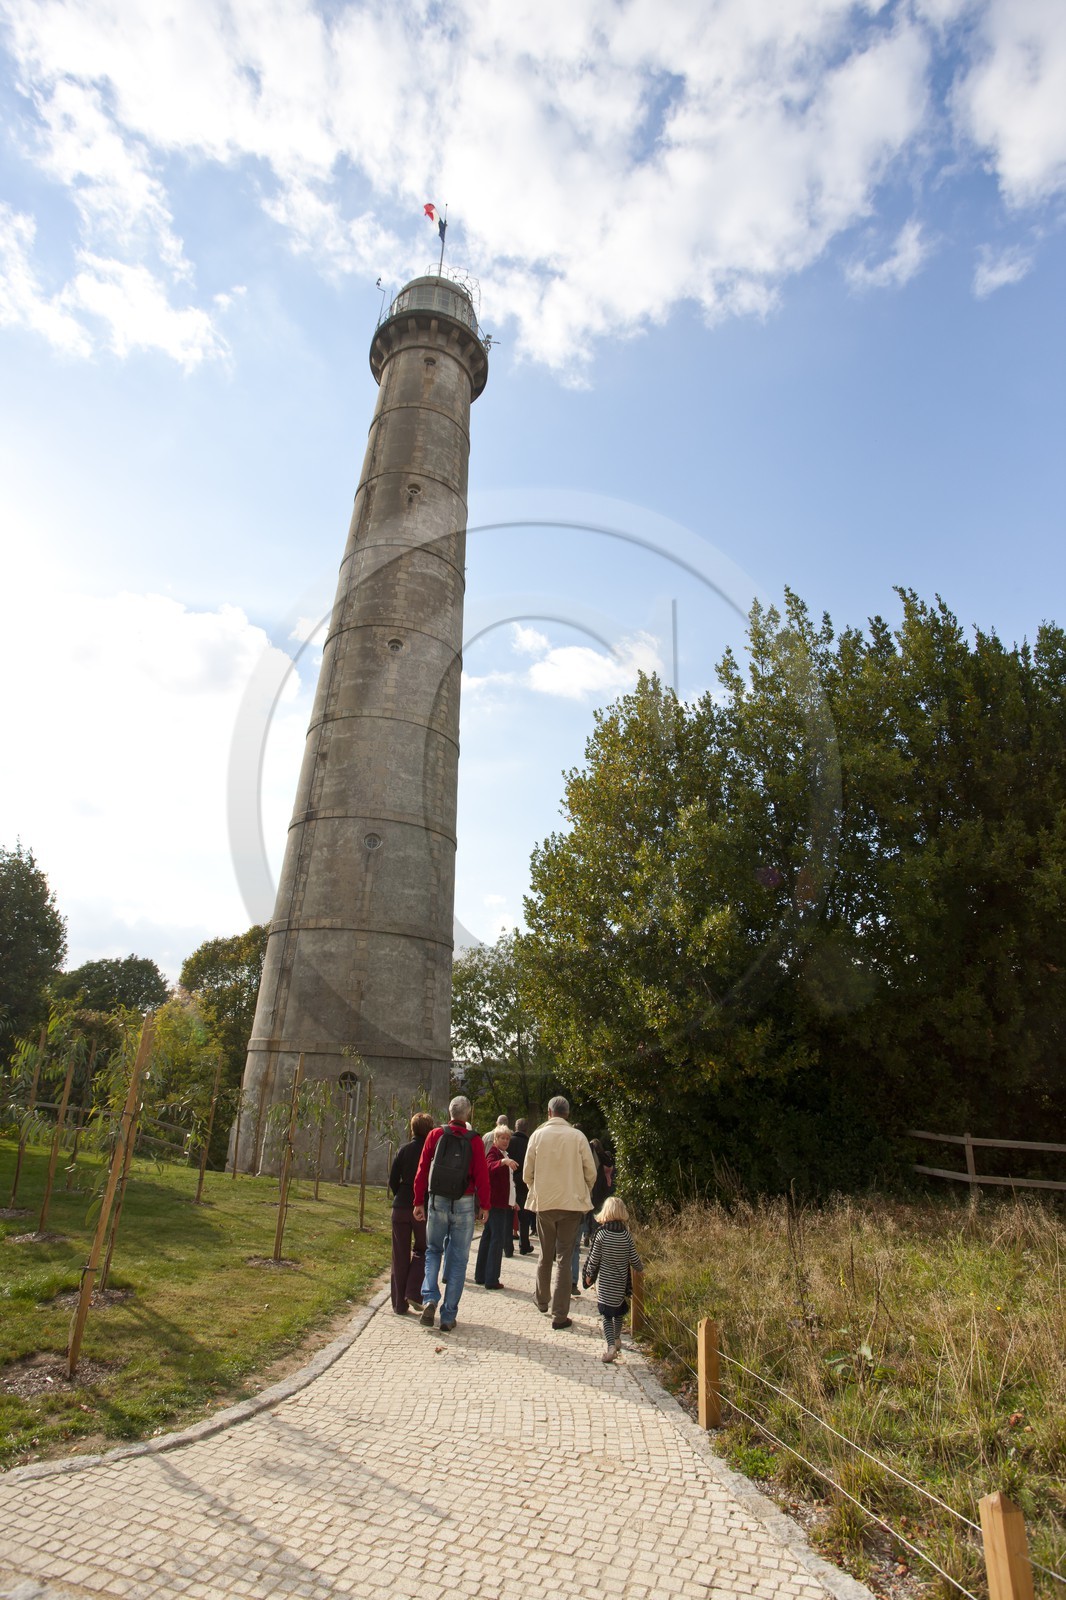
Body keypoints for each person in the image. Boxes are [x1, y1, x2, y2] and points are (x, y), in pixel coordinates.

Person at [413, 1096, 490, 1332]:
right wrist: (485, 1205)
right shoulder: (475, 1140)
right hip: (464, 1203)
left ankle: (430, 1298)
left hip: (437, 1200)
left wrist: (418, 1201)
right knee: (458, 1259)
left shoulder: (435, 1135)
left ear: (449, 1112)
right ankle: (448, 1316)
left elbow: (423, 1168)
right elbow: (482, 1175)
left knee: (433, 1250)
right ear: (468, 1113)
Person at [522, 1096, 596, 1329]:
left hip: (545, 1204)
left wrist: (536, 1189)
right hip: (571, 1204)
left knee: (545, 1254)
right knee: (564, 1257)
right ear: (567, 1114)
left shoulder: (537, 1135)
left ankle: (542, 1299)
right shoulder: (578, 1137)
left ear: (549, 1112)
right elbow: (590, 1172)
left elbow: (527, 1173)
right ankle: (560, 1314)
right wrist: (582, 1190)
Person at [582, 1195, 643, 1363]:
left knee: (606, 1316)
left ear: (605, 1213)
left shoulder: (601, 1235)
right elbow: (635, 1259)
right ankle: (616, 1339)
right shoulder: (626, 1236)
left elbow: (594, 1259)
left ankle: (610, 1347)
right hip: (621, 1282)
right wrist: (641, 1270)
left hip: (605, 1283)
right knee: (618, 1311)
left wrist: (588, 1276)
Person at [387, 1111, 435, 1314]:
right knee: (423, 1249)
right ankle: (413, 1291)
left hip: (401, 1206)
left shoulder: (403, 1150)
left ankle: (399, 1304)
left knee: (399, 1254)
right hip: (421, 1207)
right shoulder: (431, 1153)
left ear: (412, 1128)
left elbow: (392, 1180)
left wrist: (400, 1196)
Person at [474, 1125, 518, 1289]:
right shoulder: (494, 1153)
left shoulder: (503, 1154)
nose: (505, 1141)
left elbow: (508, 1183)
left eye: (507, 1138)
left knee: (488, 1237)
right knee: (496, 1239)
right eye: (502, 1138)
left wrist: (514, 1201)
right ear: (495, 1139)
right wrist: (503, 1162)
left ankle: (481, 1275)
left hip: (500, 1202)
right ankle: (491, 1278)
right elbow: (488, 1167)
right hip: (495, 1203)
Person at [508, 1117, 535, 1254]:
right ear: (527, 1129)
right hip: (524, 1182)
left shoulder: (509, 1141)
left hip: (510, 1181)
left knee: (508, 1213)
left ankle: (507, 1247)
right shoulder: (530, 1143)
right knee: (524, 1217)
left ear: (515, 1127)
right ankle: (524, 1245)